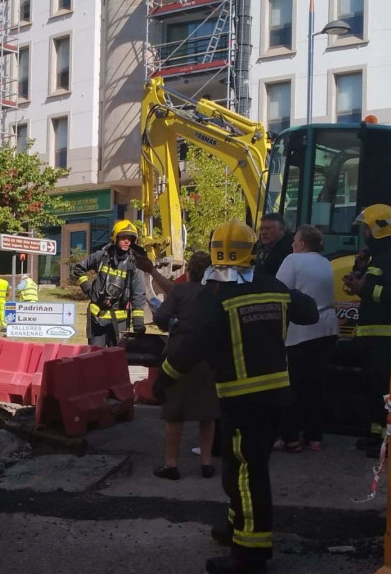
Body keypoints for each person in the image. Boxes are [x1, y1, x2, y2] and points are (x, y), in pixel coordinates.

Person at [155, 220, 318, 574]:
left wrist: (163, 380)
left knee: (247, 473)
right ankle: (236, 528)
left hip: (242, 398)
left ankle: (250, 556)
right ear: (253, 252)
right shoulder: (272, 286)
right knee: (240, 467)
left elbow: (189, 347)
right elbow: (308, 312)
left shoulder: (214, 296)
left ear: (215, 252)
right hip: (276, 396)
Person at [343, 204, 391, 458]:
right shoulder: (377, 258)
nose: (364, 232)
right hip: (371, 335)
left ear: (377, 229)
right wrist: (358, 269)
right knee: (373, 388)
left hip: (390, 337)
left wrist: (364, 289)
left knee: (390, 390)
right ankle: (376, 435)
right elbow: (368, 287)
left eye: (366, 227)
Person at [151, 251, 219, 481]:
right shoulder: (216, 293)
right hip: (208, 358)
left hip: (179, 356)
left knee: (174, 413)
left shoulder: (180, 291)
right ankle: (207, 462)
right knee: (207, 413)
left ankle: (171, 464)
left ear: (189, 270)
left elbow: (161, 318)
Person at [276, 225, 339, 452]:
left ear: (302, 244)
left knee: (291, 386)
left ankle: (290, 437)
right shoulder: (325, 263)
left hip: (300, 332)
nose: (292, 244)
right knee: (315, 386)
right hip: (327, 330)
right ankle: (314, 437)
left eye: (295, 240)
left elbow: (280, 292)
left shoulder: (293, 260)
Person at [73, 220, 147, 347]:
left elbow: (138, 294)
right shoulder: (101, 256)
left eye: (130, 239)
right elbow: (78, 268)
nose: (127, 241)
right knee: (95, 358)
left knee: (116, 359)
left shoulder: (134, 264)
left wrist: (138, 322)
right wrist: (87, 289)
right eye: (123, 237)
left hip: (119, 321)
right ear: (115, 238)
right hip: (97, 319)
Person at [254, 213, 294, 277]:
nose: (264, 232)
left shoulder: (289, 250)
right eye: (261, 229)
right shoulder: (259, 247)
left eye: (268, 228)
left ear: (281, 229)